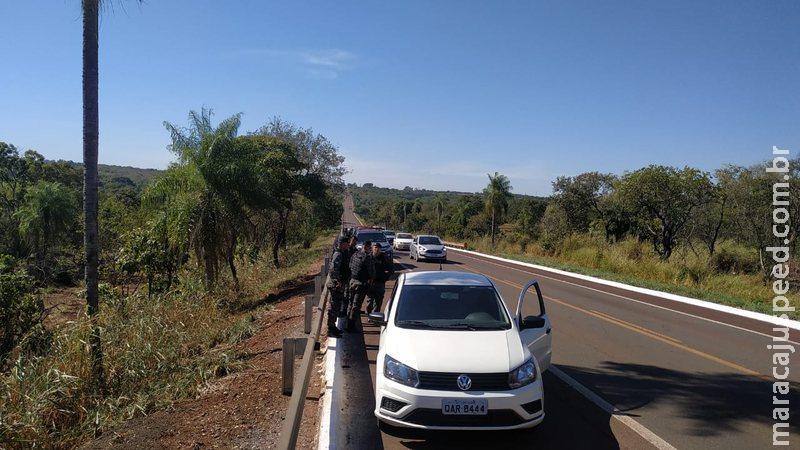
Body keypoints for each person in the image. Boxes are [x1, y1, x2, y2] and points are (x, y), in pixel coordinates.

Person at [346, 240, 375, 332]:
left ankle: (348, 322)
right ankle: (351, 326)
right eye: (370, 247)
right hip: (360, 284)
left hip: (352, 282)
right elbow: (371, 273)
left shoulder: (355, 255)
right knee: (356, 305)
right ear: (367, 247)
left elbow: (350, 266)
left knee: (350, 303)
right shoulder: (367, 258)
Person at [324, 236, 350, 338]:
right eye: (347, 243)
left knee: (337, 306)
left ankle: (333, 326)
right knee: (334, 307)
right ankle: (330, 329)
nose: (348, 245)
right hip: (335, 285)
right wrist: (338, 281)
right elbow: (333, 270)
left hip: (338, 284)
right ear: (342, 244)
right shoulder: (338, 254)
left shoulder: (342, 253)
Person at [367, 242, 394, 314]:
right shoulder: (368, 257)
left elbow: (391, 268)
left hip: (380, 282)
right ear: (372, 248)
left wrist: (386, 276)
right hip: (370, 283)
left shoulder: (384, 257)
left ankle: (375, 315)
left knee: (379, 300)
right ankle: (369, 313)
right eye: (375, 247)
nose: (377, 249)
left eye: (378, 248)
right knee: (369, 300)